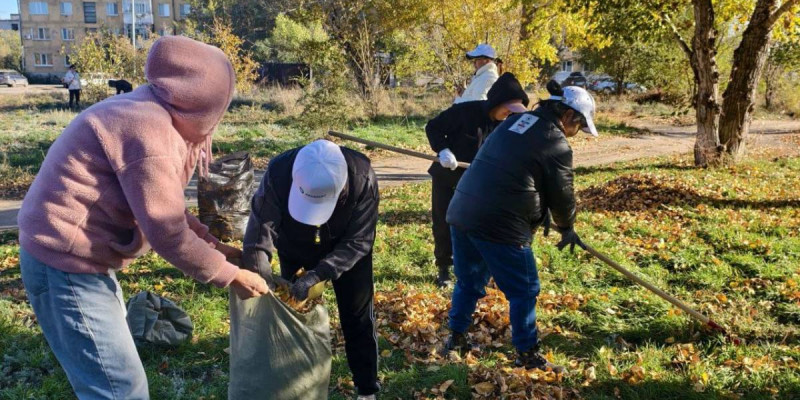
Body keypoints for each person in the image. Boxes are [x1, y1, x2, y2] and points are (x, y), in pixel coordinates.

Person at [18, 36, 269, 400]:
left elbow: (167, 208)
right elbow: (167, 232)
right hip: (64, 266)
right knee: (117, 388)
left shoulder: (150, 113)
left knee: (115, 380)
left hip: (80, 261)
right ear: (200, 98)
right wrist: (229, 274)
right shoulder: (149, 132)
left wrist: (216, 248)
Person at [443, 81, 598, 371]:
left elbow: (519, 171)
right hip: (499, 223)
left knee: (469, 281)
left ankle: (456, 338)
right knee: (524, 289)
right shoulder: (556, 142)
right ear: (569, 117)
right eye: (579, 127)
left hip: (463, 210)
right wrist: (567, 227)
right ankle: (528, 354)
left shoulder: (516, 121)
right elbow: (562, 196)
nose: (576, 134)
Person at [242, 139, 381, 400]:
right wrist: (263, 279)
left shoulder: (362, 176)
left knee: (358, 317)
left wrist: (319, 273)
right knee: (293, 315)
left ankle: (366, 389)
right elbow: (259, 234)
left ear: (341, 189)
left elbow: (359, 241)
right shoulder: (279, 172)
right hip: (293, 243)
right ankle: (295, 380)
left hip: (347, 248)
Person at [426, 73, 529, 287]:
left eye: (516, 110)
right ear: (497, 101)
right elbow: (433, 127)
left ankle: (477, 268)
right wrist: (443, 150)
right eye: (509, 107)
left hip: (479, 184)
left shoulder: (510, 123)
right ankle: (444, 268)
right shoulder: (465, 111)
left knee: (478, 225)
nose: (511, 113)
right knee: (444, 222)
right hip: (448, 175)